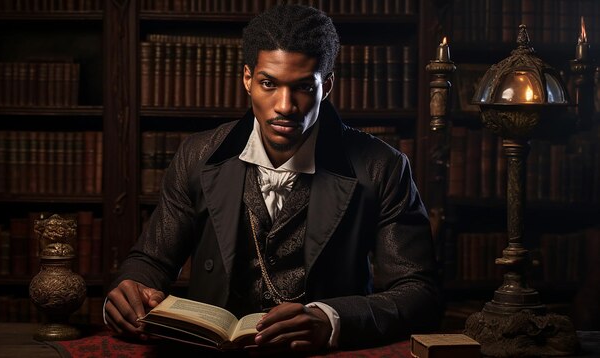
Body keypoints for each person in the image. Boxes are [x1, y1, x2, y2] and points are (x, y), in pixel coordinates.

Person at [105, 4, 442, 353]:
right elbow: (151, 260)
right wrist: (132, 288)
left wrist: (332, 320)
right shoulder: (196, 155)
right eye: (269, 83)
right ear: (248, 79)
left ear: (326, 87)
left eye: (302, 87)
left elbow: (419, 294)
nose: (284, 105)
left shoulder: (382, 167)